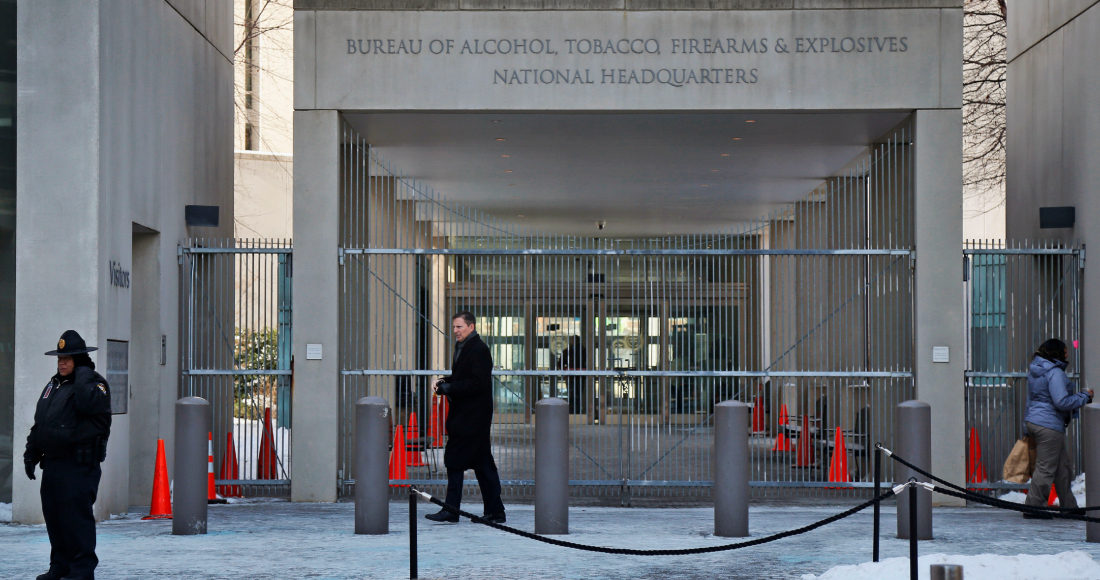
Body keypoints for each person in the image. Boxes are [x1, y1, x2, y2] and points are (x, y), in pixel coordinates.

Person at [24, 330, 112, 580]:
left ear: (80, 359)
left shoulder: (94, 385)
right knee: (55, 519)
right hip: (54, 463)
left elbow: (86, 404)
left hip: (79, 465)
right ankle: (60, 567)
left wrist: (84, 372)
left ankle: (81, 571)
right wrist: (31, 452)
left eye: (68, 358)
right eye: (60, 358)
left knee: (76, 520)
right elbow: (41, 422)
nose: (61, 363)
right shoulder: (54, 385)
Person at [425, 312, 506, 524]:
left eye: (459, 327)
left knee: (455, 460)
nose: (455, 331)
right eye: (454, 327)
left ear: (471, 327)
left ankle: (452, 510)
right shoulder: (465, 347)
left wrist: (449, 387)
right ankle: (494, 511)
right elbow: (465, 377)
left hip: (472, 417)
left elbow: (478, 383)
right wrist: (445, 381)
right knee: (482, 465)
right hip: (469, 416)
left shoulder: (479, 349)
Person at [1022, 338, 1092, 519]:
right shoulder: (1055, 373)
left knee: (1062, 468)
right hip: (1049, 425)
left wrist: (1026, 426)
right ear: (1057, 352)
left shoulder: (1035, 371)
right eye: (1065, 351)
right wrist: (1084, 396)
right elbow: (1061, 402)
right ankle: (1033, 508)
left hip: (1035, 421)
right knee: (1046, 468)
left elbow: (1030, 400)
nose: (1067, 354)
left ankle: (1069, 507)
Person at [560, 336, 587, 414]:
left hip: (580, 376)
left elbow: (589, 363)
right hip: (570, 377)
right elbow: (560, 364)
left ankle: (578, 412)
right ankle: (572, 412)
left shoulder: (584, 351)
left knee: (579, 395)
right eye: (573, 340)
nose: (574, 341)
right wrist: (565, 371)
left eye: (576, 340)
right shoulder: (566, 352)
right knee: (571, 395)